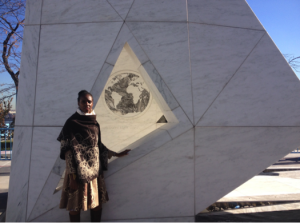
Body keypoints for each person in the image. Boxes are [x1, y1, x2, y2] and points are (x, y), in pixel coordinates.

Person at [57, 90, 130, 223]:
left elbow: (98, 146)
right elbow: (67, 151)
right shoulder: (71, 123)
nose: (86, 104)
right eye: (83, 101)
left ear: (93, 102)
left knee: (96, 203)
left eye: (89, 101)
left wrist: (116, 154)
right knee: (74, 205)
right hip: (77, 172)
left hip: (94, 171)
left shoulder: (95, 123)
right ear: (78, 103)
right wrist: (72, 176)